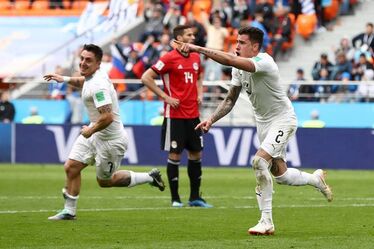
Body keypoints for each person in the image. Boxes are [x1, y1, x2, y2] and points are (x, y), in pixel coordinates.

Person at [173, 27, 333, 235]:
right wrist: (211, 119)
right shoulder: (238, 69)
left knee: (258, 162)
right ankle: (316, 180)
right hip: (263, 124)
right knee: (281, 175)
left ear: (255, 46)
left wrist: (196, 49)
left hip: (283, 119)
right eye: (237, 41)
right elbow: (231, 98)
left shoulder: (265, 62)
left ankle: (266, 222)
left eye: (241, 42)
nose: (236, 46)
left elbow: (229, 60)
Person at [43, 44, 165, 220]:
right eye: (82, 59)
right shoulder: (92, 77)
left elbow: (108, 117)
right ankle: (69, 211)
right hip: (95, 132)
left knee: (105, 182)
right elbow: (83, 82)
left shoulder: (99, 85)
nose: (83, 63)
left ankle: (149, 177)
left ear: (98, 63)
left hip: (110, 139)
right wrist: (63, 78)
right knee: (71, 167)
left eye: (88, 60)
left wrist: (90, 130)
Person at [141, 25, 212, 208]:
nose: (193, 38)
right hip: (175, 115)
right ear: (179, 38)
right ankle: (175, 199)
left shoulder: (196, 57)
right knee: (175, 155)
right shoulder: (169, 58)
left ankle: (195, 197)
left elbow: (199, 78)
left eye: (193, 34)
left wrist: (200, 93)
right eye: (189, 35)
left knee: (196, 153)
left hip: (193, 115)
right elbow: (146, 77)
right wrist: (165, 97)